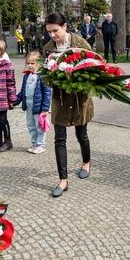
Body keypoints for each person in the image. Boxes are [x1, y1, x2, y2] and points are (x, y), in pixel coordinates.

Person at [42, 12, 94, 197]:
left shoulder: (81, 44)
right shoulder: (48, 48)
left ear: (65, 27)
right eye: (49, 32)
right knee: (59, 139)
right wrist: (55, 79)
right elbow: (45, 75)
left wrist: (78, 78)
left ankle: (86, 162)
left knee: (82, 135)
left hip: (80, 99)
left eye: (55, 30)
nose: (52, 35)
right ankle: (63, 180)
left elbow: (94, 68)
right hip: (60, 99)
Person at [15, 51, 52, 154]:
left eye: (32, 63)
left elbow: (47, 93)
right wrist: (16, 101)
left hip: (38, 106)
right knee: (31, 125)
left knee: (39, 126)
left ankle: (41, 144)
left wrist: (45, 109)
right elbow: (23, 91)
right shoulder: (26, 76)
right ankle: (34, 142)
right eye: (28, 63)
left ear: (38, 64)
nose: (30, 65)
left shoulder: (42, 76)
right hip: (28, 104)